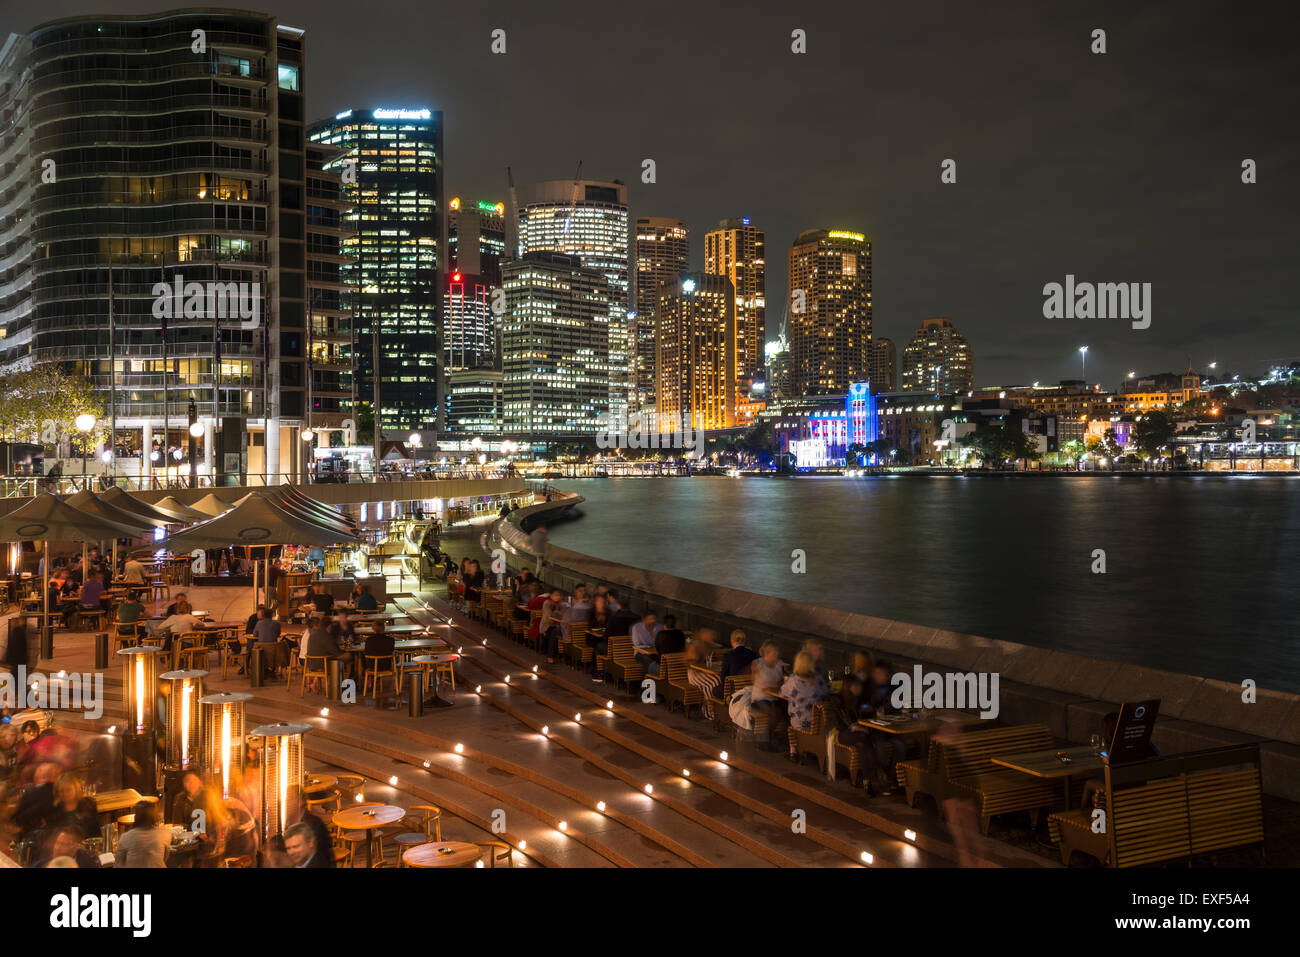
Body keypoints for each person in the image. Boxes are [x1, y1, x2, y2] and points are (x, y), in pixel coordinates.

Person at [828, 673, 890, 795]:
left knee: (862, 744)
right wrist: (853, 727)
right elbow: (835, 723)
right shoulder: (837, 700)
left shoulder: (858, 700)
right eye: (856, 686)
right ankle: (878, 773)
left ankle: (868, 781)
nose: (859, 688)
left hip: (859, 735)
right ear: (849, 687)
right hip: (840, 733)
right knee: (862, 738)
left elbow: (867, 713)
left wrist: (872, 711)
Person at [780, 651, 831, 761]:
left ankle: (793, 751)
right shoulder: (818, 679)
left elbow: (782, 693)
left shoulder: (793, 680)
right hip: (818, 723)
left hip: (800, 723)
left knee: (790, 715)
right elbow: (826, 693)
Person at [865, 660, 907, 775]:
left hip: (889, 727)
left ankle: (893, 776)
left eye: (879, 674)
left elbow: (898, 705)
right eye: (875, 673)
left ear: (888, 676)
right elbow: (862, 704)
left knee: (901, 746)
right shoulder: (869, 686)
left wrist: (890, 706)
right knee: (880, 744)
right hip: (873, 728)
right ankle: (881, 773)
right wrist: (869, 707)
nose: (876, 676)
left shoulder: (895, 687)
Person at [749, 641, 788, 750]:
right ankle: (765, 739)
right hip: (760, 697)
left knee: (788, 710)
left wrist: (775, 688)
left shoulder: (779, 664)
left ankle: (786, 739)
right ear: (767, 653)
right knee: (773, 713)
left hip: (775, 696)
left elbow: (782, 682)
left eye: (777, 652)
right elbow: (753, 679)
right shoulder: (758, 664)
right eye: (774, 652)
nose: (776, 655)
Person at [113, 801, 170, 868]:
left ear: (136, 817)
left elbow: (118, 865)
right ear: (154, 816)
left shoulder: (125, 837)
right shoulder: (165, 833)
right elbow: (165, 858)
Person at [49, 773, 99, 837]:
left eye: (68, 790)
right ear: (57, 792)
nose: (65, 794)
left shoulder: (88, 805)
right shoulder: (55, 810)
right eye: (61, 791)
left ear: (76, 789)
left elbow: (96, 832)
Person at [34, 827, 100, 869]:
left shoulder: (87, 863)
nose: (57, 848)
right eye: (57, 842)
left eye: (63, 844)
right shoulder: (40, 865)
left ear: (75, 847)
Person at [630, 611, 663, 676]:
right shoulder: (637, 628)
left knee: (661, 660)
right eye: (650, 619)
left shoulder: (659, 627)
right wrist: (649, 647)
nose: (652, 621)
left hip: (655, 653)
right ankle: (649, 680)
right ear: (644, 619)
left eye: (654, 619)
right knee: (647, 661)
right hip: (640, 653)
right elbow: (636, 644)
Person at [538, 589, 566, 663]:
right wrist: (557, 613)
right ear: (551, 596)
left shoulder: (561, 604)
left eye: (559, 595)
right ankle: (550, 656)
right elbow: (548, 616)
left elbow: (564, 616)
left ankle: (551, 655)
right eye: (555, 595)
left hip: (558, 626)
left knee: (555, 632)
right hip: (547, 625)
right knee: (553, 633)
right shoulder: (547, 603)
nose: (557, 597)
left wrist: (559, 613)